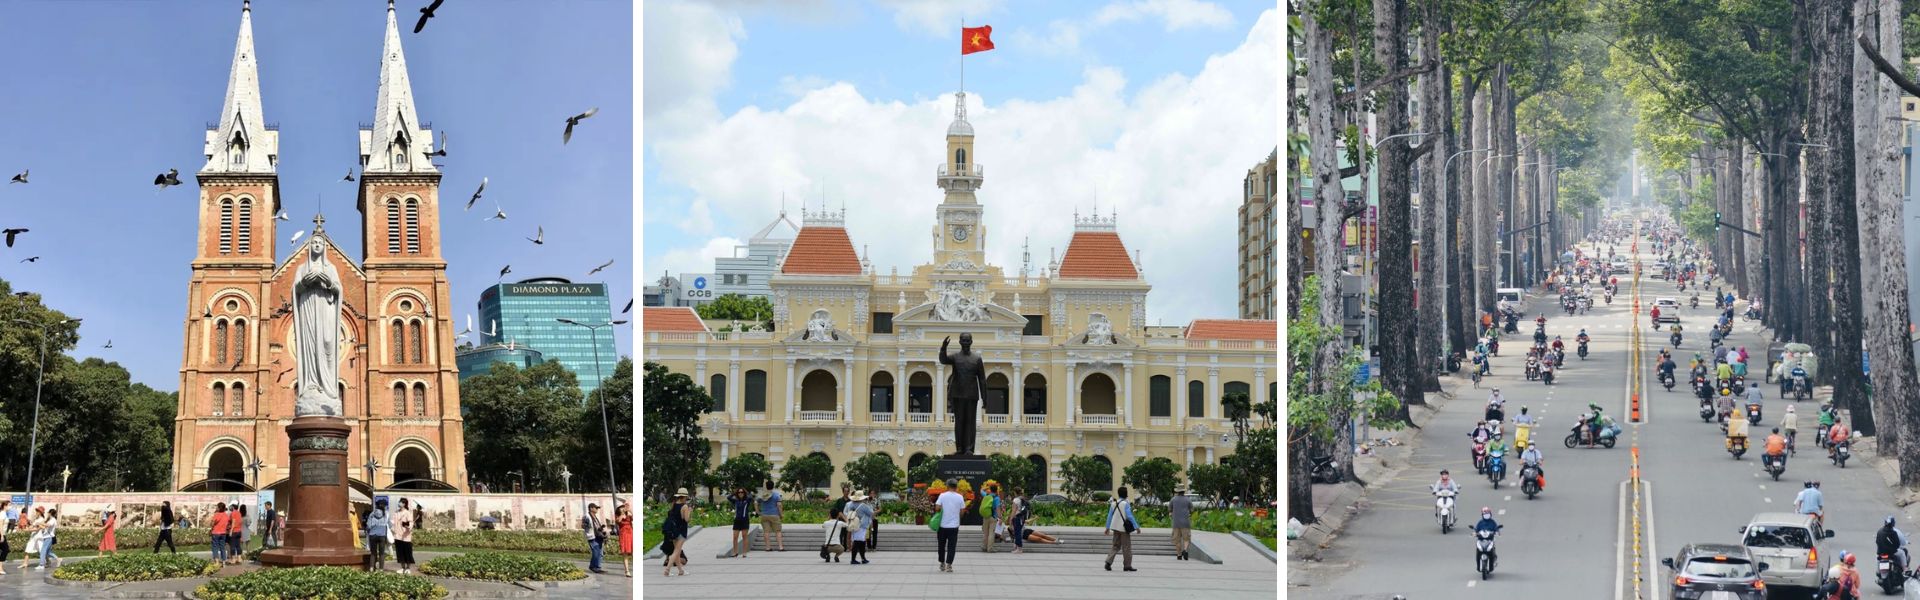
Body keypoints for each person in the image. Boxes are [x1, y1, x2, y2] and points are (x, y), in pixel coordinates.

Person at [1104, 485, 1138, 572]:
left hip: (1115, 528)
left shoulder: (1113, 503)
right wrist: (1136, 527)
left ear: (1118, 494)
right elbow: (1129, 516)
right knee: (1126, 547)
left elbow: (1109, 516)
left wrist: (1107, 528)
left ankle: (1108, 562)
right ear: (1126, 494)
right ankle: (1127, 565)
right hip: (1123, 528)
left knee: (1115, 546)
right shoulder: (1125, 504)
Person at [935, 478, 964, 573]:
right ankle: (949, 565)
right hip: (954, 526)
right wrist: (957, 517)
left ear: (947, 486)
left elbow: (937, 508)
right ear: (956, 486)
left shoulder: (942, 495)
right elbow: (962, 511)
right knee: (952, 546)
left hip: (942, 525)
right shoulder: (960, 497)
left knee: (941, 545)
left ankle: (942, 563)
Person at [662, 489, 691, 577]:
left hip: (673, 531)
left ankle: (681, 570)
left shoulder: (674, 504)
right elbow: (686, 519)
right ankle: (667, 570)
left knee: (677, 552)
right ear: (685, 496)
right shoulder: (685, 506)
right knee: (676, 552)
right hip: (681, 531)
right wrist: (690, 511)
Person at [757, 480, 784, 552]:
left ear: (766, 486)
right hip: (774, 515)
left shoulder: (762, 495)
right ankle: (780, 547)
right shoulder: (776, 494)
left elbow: (755, 502)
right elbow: (779, 505)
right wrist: (781, 514)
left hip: (764, 515)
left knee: (766, 532)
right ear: (773, 486)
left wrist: (758, 512)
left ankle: (768, 548)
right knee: (778, 531)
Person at [365, 499, 391, 572]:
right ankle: (381, 569)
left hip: (372, 535)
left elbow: (368, 526)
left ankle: (371, 568)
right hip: (382, 535)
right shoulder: (386, 514)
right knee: (382, 553)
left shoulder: (372, 514)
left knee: (373, 553)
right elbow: (390, 525)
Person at [850, 490, 874, 565]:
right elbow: (871, 513)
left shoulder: (851, 504)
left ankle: (862, 558)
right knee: (859, 542)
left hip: (854, 525)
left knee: (858, 542)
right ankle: (856, 559)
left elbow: (847, 512)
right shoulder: (863, 506)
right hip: (862, 525)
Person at [584, 502, 609, 574]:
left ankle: (596, 567)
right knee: (596, 552)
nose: (597, 509)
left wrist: (601, 529)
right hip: (592, 537)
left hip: (598, 536)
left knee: (600, 553)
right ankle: (594, 567)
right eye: (596, 508)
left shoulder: (595, 517)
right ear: (591, 508)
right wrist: (587, 526)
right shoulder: (587, 516)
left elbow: (597, 528)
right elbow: (584, 525)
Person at [393, 498, 415, 574]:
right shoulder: (396, 512)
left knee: (407, 552)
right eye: (399, 502)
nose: (399, 503)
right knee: (400, 552)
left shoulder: (407, 513)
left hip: (406, 536)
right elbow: (394, 523)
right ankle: (402, 568)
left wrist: (408, 527)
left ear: (404, 504)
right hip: (397, 536)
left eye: (401, 502)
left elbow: (411, 523)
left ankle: (408, 568)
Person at [1169, 488, 1192, 560]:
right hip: (1186, 522)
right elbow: (1191, 509)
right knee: (1186, 539)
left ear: (1177, 491)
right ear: (1184, 491)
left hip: (1176, 523)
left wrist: (1172, 515)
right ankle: (1185, 550)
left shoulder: (1173, 499)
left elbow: (1170, 510)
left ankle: (1179, 555)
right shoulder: (1188, 499)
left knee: (1177, 539)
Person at [729, 487, 752, 558]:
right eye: (739, 492)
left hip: (745, 520)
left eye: (742, 492)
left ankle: (744, 553)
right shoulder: (735, 500)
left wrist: (746, 491)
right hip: (737, 521)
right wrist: (735, 492)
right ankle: (735, 552)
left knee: (744, 536)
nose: (740, 493)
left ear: (744, 493)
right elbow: (728, 497)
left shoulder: (747, 500)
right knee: (735, 537)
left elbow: (751, 496)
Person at [981, 482, 1001, 553]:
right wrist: (1000, 518)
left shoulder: (986, 495)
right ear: (996, 490)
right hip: (993, 517)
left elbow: (981, 490)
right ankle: (990, 548)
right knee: (991, 533)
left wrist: (987, 487)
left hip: (986, 516)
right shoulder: (997, 498)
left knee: (985, 533)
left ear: (990, 489)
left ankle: (984, 547)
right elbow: (998, 509)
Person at [616, 502, 634, 577]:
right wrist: (622, 514)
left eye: (624, 507)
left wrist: (630, 510)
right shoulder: (618, 516)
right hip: (623, 534)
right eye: (622, 508)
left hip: (630, 533)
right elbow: (618, 521)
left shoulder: (628, 515)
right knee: (625, 553)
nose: (623, 508)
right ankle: (627, 570)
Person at [1009, 489, 1030, 555]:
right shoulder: (1022, 498)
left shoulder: (1016, 500)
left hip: (1017, 517)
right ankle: (1017, 546)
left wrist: (1010, 519)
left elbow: (1014, 510)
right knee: (1018, 532)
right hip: (1022, 517)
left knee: (1017, 533)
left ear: (1015, 492)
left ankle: (1019, 549)